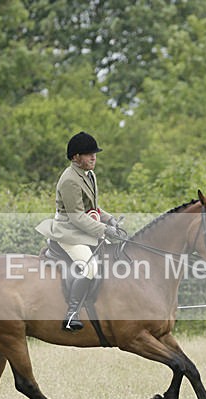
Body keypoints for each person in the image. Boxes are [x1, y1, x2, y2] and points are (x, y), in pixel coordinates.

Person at [35, 131, 124, 331]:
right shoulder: (69, 180)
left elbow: (92, 208)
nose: (93, 157)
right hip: (68, 233)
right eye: (88, 154)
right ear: (76, 157)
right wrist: (104, 229)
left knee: (113, 257)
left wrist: (109, 219)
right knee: (90, 267)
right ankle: (72, 313)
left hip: (83, 229)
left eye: (94, 153)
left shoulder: (89, 175)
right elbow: (76, 216)